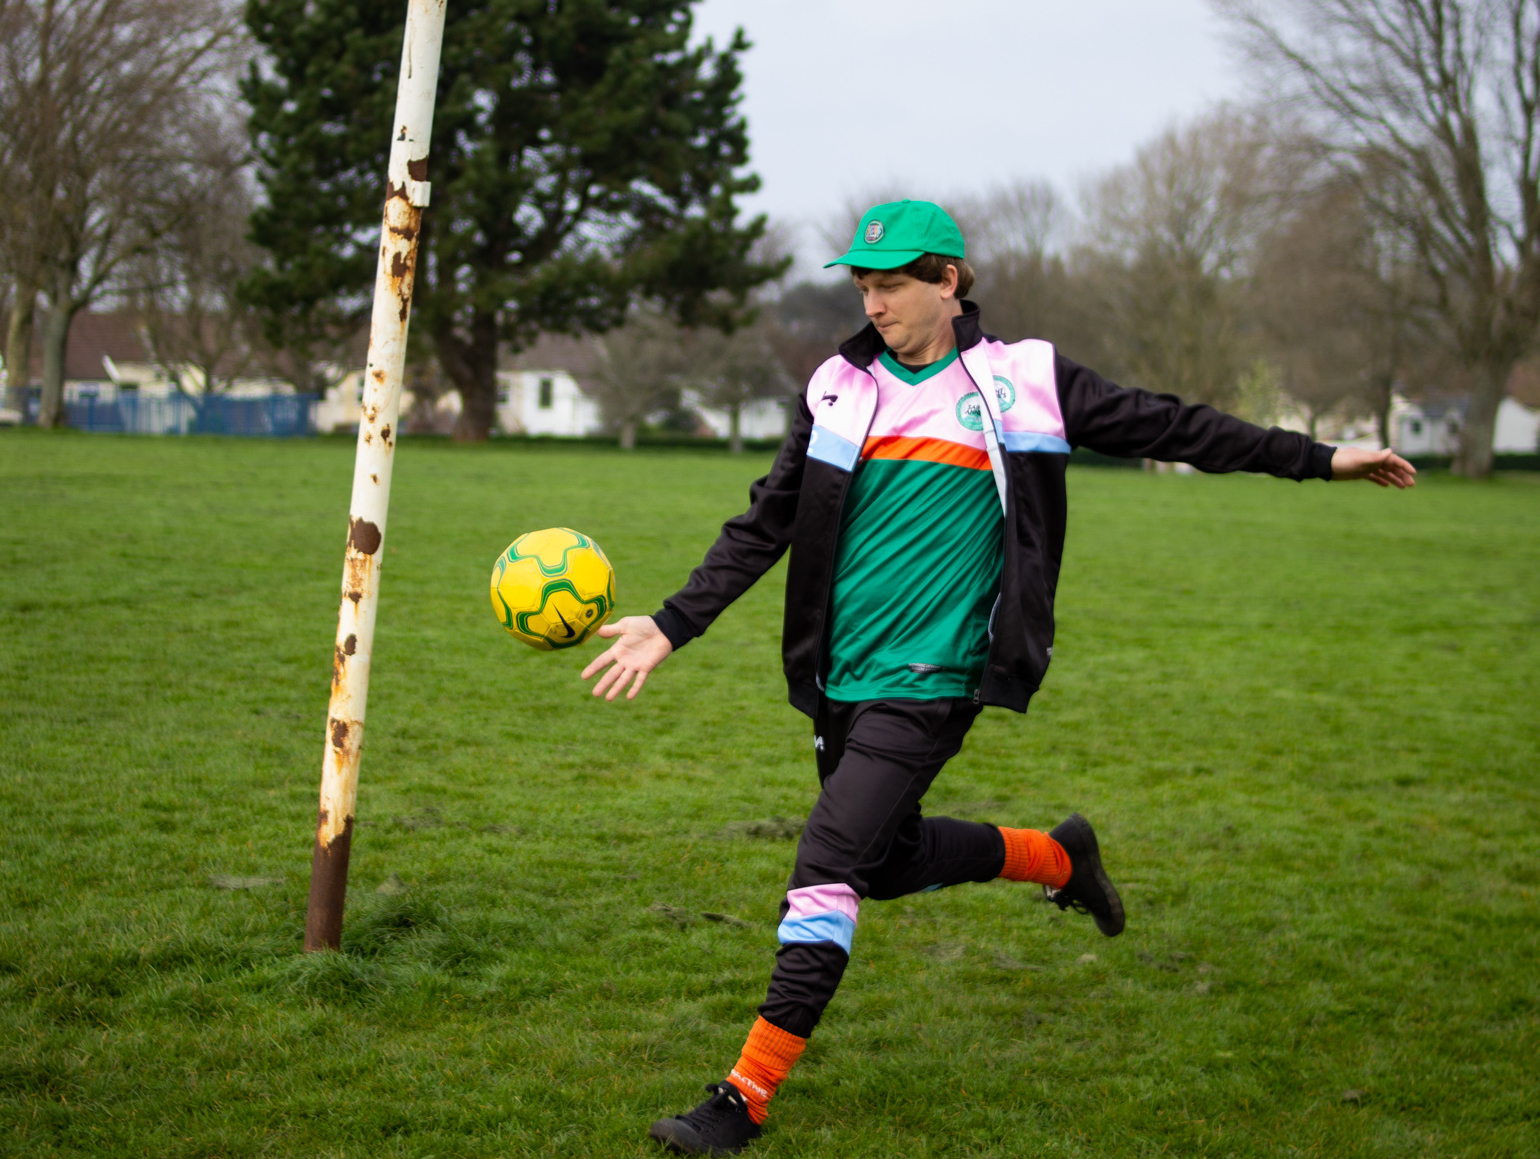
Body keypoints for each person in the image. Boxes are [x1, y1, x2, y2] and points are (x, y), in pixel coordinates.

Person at [581, 200, 1417, 1156]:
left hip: (936, 679)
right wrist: (672, 624)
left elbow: (1175, 425)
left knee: (824, 865)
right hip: (841, 680)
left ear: (949, 281)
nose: (873, 300)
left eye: (891, 283)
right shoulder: (839, 385)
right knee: (881, 863)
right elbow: (768, 519)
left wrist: (1320, 458)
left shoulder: (1024, 381)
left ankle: (742, 1099)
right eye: (862, 282)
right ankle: (1060, 858)